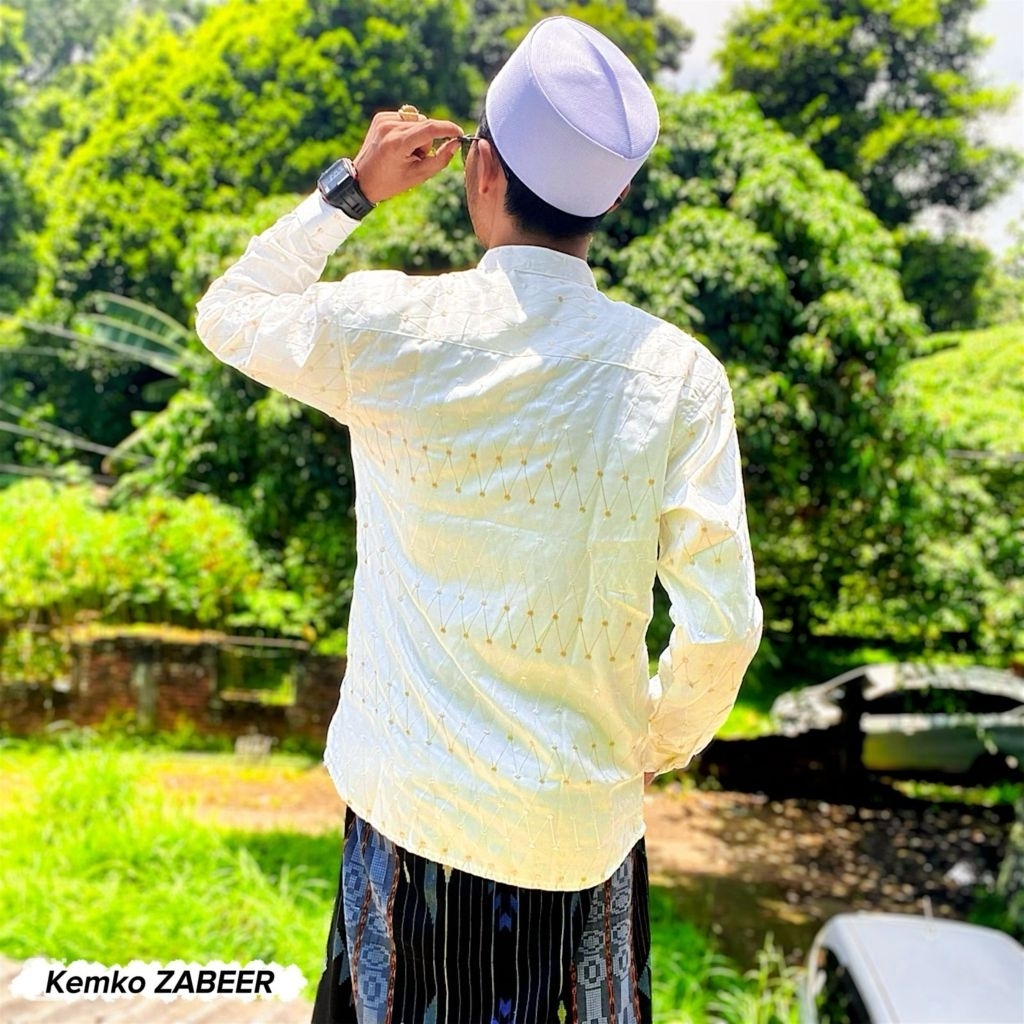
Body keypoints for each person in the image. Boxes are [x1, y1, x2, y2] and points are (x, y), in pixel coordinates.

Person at [196, 16, 762, 1024]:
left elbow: (230, 312)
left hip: (410, 825)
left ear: (480, 170)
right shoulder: (679, 375)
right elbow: (723, 626)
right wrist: (649, 743)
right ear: (612, 199)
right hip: (580, 838)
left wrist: (352, 189)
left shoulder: (392, 328)